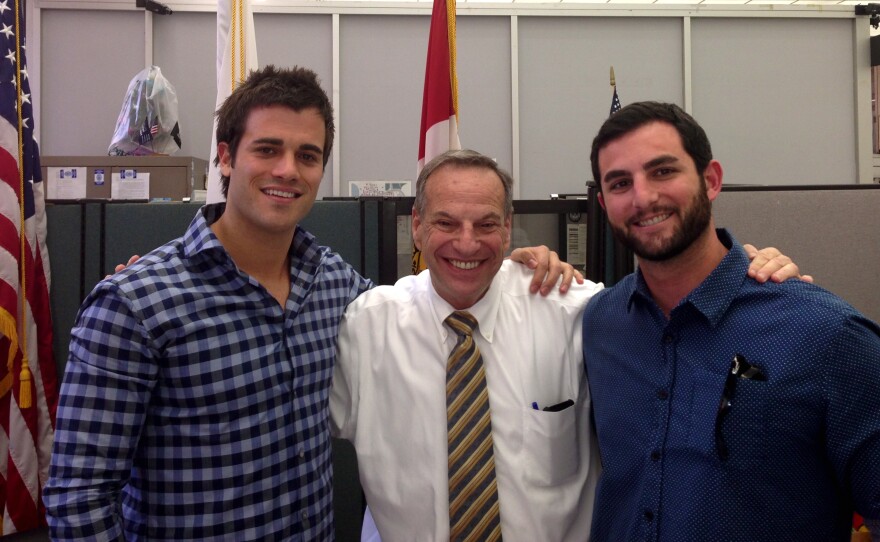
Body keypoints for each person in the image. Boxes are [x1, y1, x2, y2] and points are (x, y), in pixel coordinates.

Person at [42, 66, 572, 541]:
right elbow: (79, 497)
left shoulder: (336, 285)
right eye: (267, 149)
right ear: (225, 156)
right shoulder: (135, 303)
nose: (288, 170)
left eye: (308, 155)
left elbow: (431, 302)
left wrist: (513, 267)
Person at [330, 149, 804, 541]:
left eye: (487, 224)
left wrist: (750, 279)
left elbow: (685, 327)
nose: (468, 243)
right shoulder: (365, 327)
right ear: (416, 225)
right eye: (446, 223)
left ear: (510, 225)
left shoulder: (577, 310)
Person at [583, 101, 880, 541]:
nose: (643, 197)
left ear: (711, 180)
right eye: (621, 183)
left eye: (663, 171)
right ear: (605, 204)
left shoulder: (828, 335)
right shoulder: (600, 322)